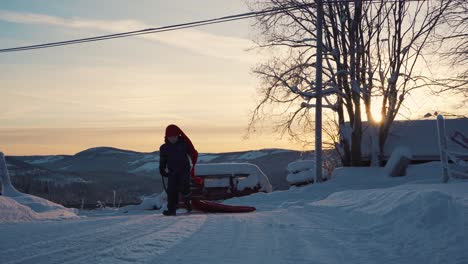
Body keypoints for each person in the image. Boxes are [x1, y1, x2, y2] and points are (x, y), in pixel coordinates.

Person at [159, 124, 198, 216]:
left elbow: (192, 152)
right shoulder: (164, 148)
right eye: (170, 137)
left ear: (178, 136)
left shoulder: (184, 144)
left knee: (185, 188)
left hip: (184, 170)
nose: (172, 139)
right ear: (166, 137)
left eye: (174, 137)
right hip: (172, 172)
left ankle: (188, 204)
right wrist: (162, 169)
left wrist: (194, 156)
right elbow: (163, 160)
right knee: (171, 190)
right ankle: (171, 210)